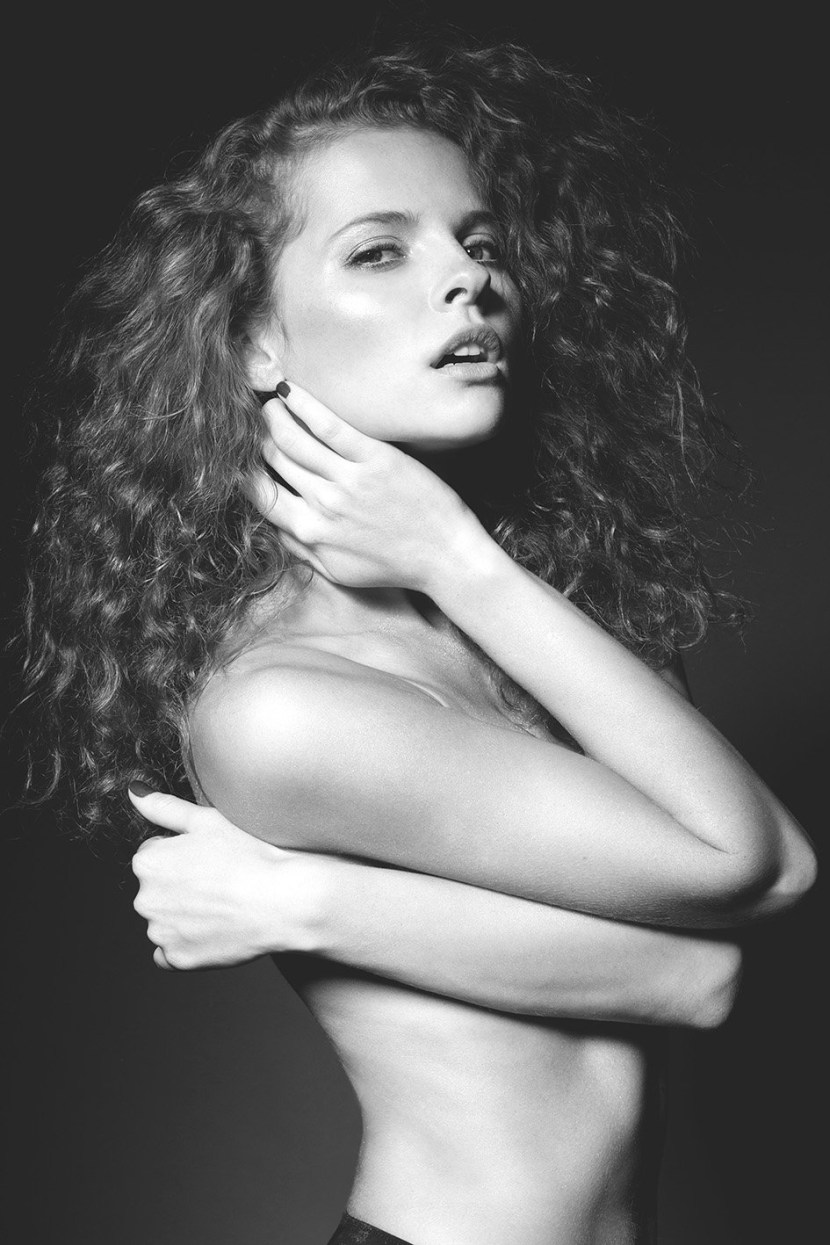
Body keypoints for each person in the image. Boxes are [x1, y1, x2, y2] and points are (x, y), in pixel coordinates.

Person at [22, 40, 816, 1245]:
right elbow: (735, 888)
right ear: (253, 341)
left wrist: (307, 902)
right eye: (379, 251)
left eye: (478, 241)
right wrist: (456, 561)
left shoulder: (525, 619)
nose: (468, 278)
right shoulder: (282, 707)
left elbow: (729, 935)